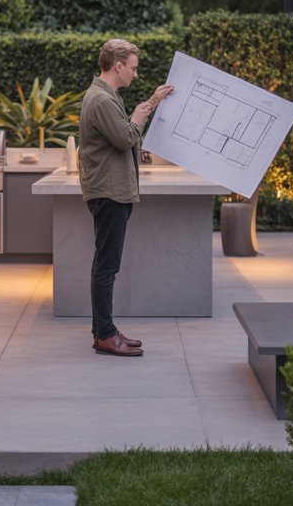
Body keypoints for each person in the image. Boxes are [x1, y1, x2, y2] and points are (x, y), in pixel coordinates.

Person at [78, 39, 174, 356]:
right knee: (107, 266)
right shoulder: (102, 101)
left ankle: (104, 329)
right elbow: (125, 137)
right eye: (133, 68)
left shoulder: (107, 96)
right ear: (117, 65)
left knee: (107, 264)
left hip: (113, 191)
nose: (135, 73)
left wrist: (152, 102)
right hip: (109, 192)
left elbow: (125, 129)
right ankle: (104, 335)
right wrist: (139, 115)